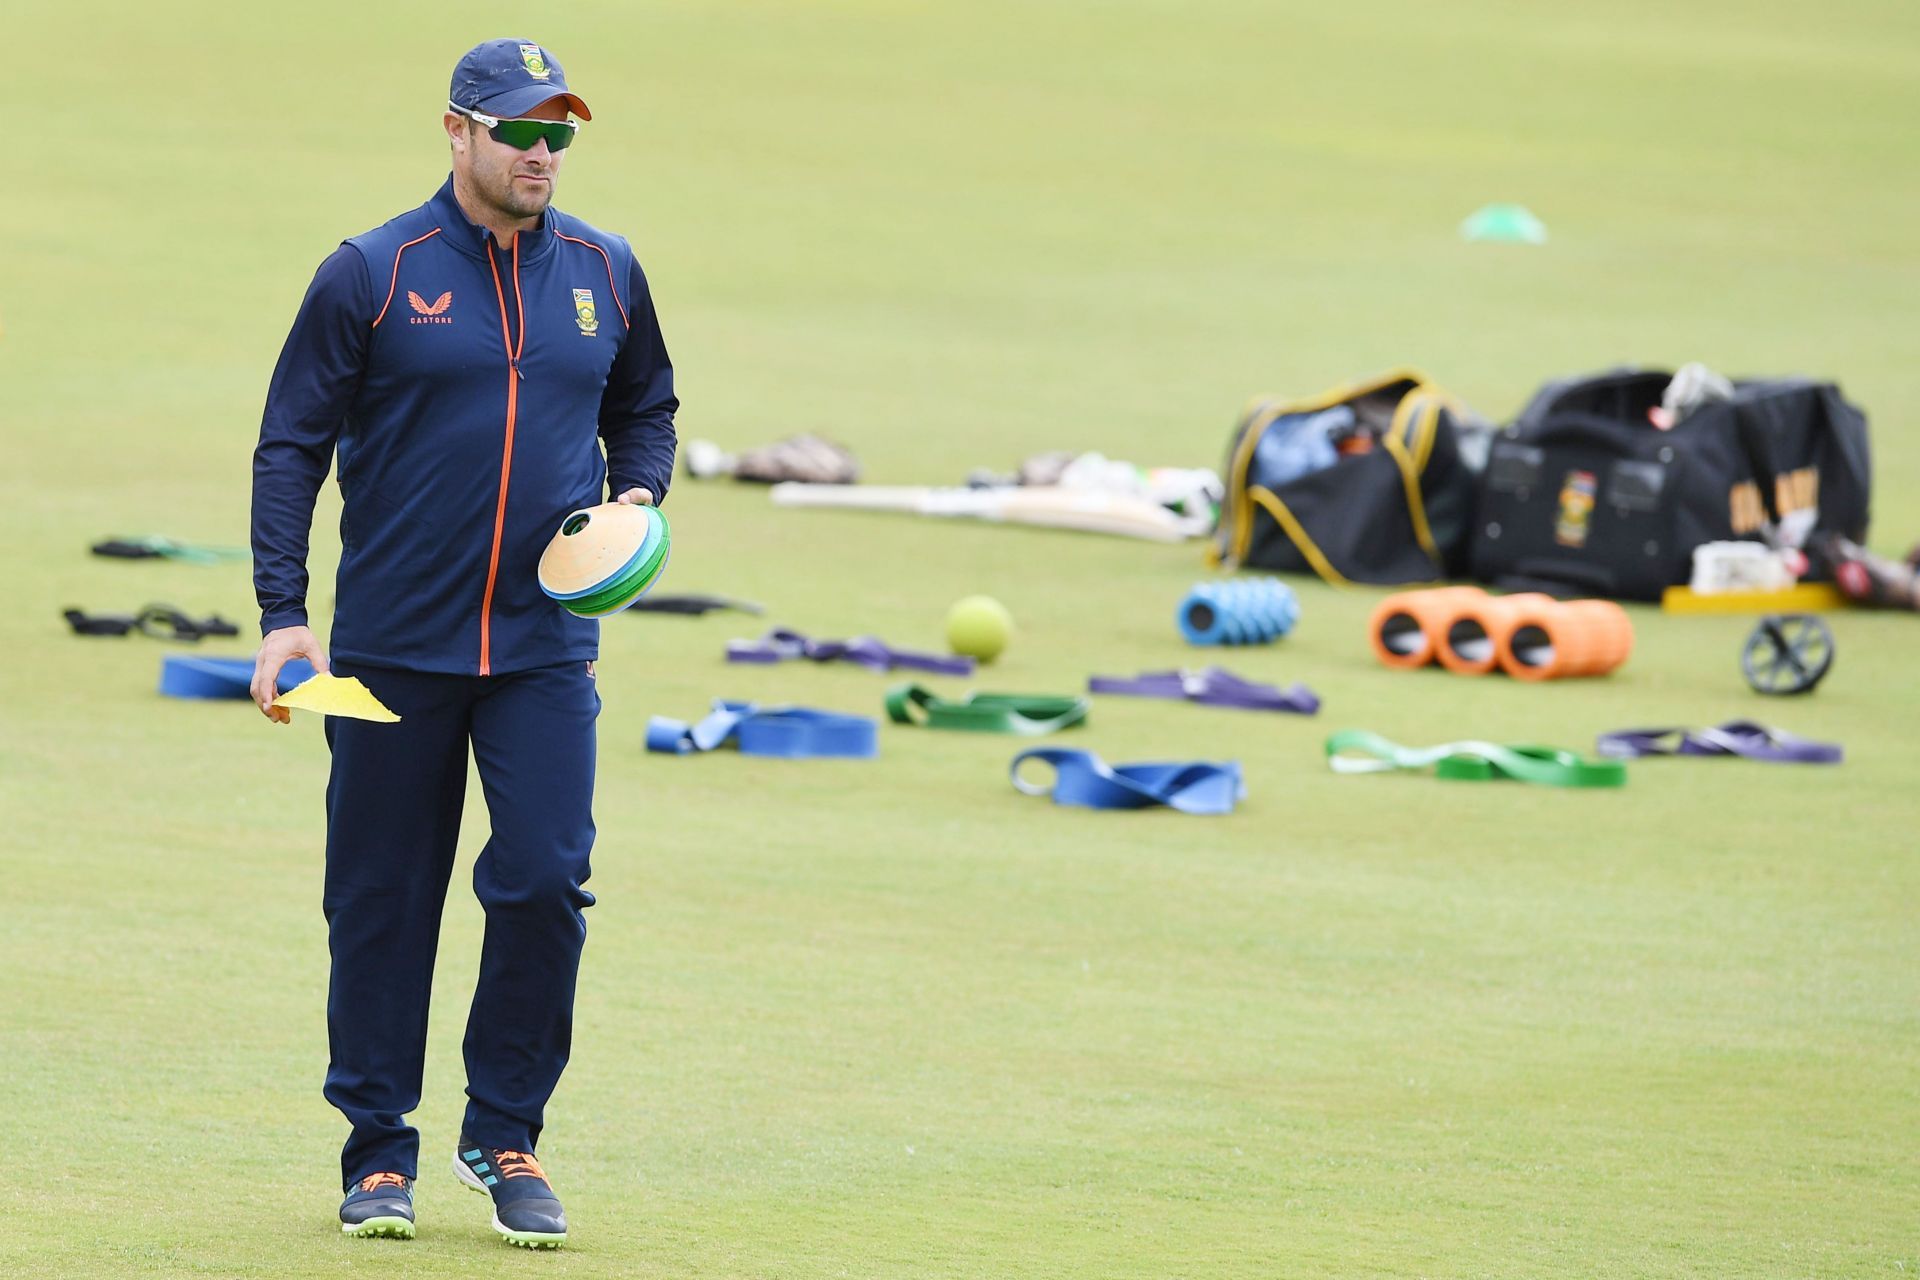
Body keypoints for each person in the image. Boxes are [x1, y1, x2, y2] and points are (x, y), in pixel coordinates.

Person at [248, 37, 676, 1249]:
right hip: (385, 652)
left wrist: (636, 494)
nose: (542, 153)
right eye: (519, 130)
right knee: (380, 901)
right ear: (458, 131)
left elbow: (645, 403)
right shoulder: (372, 273)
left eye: (561, 134)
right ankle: (378, 1151)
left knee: (544, 877)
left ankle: (505, 1134)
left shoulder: (607, 269)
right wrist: (286, 618)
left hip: (544, 649)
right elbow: (291, 448)